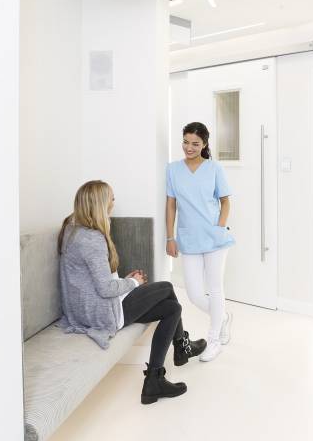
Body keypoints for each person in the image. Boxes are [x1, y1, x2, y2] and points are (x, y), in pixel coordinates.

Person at [58, 180, 206, 404]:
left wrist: (124, 282)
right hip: (102, 314)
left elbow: (91, 281)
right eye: (111, 198)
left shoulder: (72, 230)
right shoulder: (92, 239)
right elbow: (105, 289)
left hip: (88, 310)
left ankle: (157, 377)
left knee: (172, 308)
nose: (114, 201)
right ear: (99, 204)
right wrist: (133, 283)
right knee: (167, 287)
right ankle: (180, 349)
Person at [166, 122, 235, 362]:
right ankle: (222, 316)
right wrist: (170, 237)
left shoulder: (214, 168)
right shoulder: (173, 170)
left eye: (195, 143)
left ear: (204, 144)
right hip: (188, 238)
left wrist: (219, 228)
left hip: (215, 238)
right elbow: (171, 205)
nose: (189, 147)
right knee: (194, 293)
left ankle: (214, 341)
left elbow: (225, 201)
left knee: (215, 288)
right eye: (186, 142)